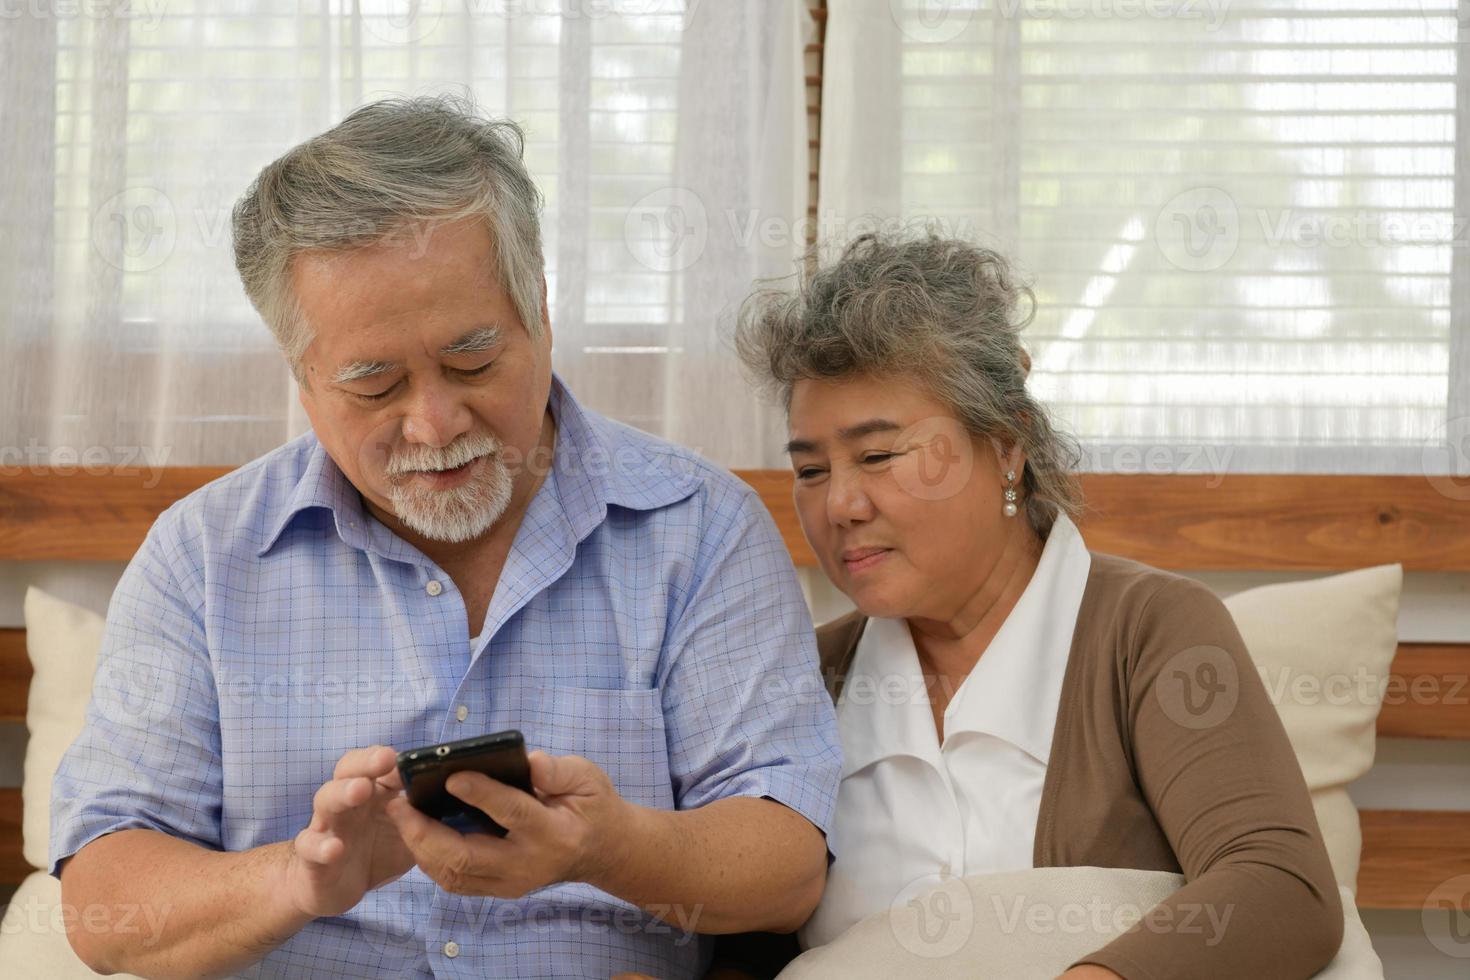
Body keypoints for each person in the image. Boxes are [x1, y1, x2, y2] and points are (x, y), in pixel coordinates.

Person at [49, 95, 840, 980]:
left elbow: (787, 867)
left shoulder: (700, 528)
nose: (433, 424)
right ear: (302, 378)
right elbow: (101, 906)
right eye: (375, 384)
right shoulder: (201, 558)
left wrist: (608, 847)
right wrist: (299, 881)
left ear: (538, 309)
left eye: (472, 361)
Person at [721, 232, 1344, 978]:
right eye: (812, 469)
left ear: (1007, 442)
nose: (841, 504)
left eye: (878, 456)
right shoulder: (806, 677)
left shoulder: (1147, 631)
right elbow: (737, 938)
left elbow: (1282, 884)